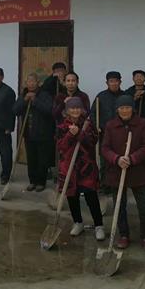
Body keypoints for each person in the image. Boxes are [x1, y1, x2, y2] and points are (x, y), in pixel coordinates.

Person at [102, 96, 145, 251]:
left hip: (138, 171)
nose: (124, 111)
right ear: (117, 110)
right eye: (121, 108)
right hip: (117, 171)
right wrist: (116, 159)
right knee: (119, 204)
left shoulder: (143, 124)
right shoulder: (111, 125)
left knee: (144, 206)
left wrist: (132, 158)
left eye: (127, 107)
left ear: (133, 109)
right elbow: (105, 148)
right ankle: (123, 235)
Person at [57, 97, 105, 240]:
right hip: (68, 167)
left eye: (78, 108)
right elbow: (61, 146)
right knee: (72, 196)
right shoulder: (62, 127)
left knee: (91, 196)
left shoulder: (88, 125)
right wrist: (70, 135)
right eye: (72, 108)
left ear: (82, 109)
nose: (75, 110)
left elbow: (92, 142)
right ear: (67, 110)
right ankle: (78, 222)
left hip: (86, 167)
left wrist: (79, 133)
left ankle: (99, 225)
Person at [17, 73, 56, 192]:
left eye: (33, 81)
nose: (31, 84)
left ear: (38, 83)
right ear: (26, 83)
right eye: (28, 81)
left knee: (42, 160)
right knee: (31, 159)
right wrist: (25, 100)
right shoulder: (23, 94)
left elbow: (49, 110)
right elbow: (15, 110)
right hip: (28, 133)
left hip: (43, 133)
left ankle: (41, 182)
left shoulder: (45, 95)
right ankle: (32, 181)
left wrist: (35, 100)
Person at [94, 71, 125, 193]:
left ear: (120, 82)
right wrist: (96, 125)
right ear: (107, 83)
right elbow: (93, 114)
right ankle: (105, 184)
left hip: (122, 134)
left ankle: (119, 185)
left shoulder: (125, 96)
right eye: (111, 81)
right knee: (105, 161)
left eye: (116, 81)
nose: (114, 83)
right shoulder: (100, 96)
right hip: (105, 134)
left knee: (120, 159)